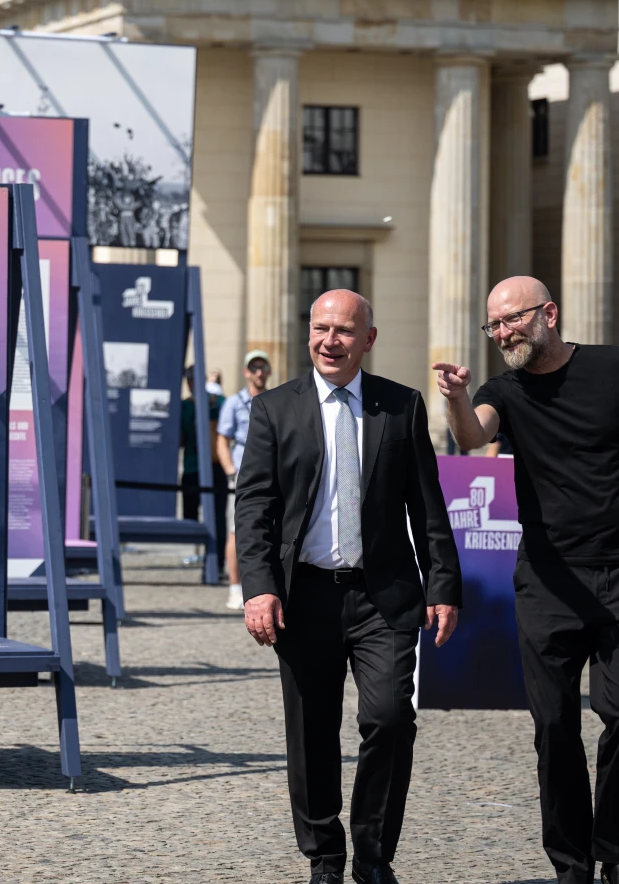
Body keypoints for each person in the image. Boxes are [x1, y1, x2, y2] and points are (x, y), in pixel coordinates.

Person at [433, 276, 619, 884]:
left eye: (513, 319)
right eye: (495, 325)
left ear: (549, 314)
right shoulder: (501, 390)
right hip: (547, 580)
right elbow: (471, 435)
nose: (503, 332)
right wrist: (455, 397)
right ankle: (571, 862)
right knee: (555, 725)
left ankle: (615, 851)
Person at [237, 290, 461, 884]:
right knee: (311, 729)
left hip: (382, 597)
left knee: (389, 718)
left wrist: (444, 586)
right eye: (319, 328)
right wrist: (258, 588)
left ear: (369, 338)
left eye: (342, 330)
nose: (329, 341)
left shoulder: (401, 406)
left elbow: (428, 506)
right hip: (303, 597)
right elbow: (254, 507)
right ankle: (325, 857)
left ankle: (373, 854)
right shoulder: (274, 410)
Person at [216, 350, 272, 609]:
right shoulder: (234, 402)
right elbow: (222, 440)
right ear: (246, 372)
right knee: (236, 532)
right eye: (254, 367)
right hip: (242, 474)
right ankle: (235, 587)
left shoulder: (275, 400)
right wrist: (230, 472)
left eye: (263, 367)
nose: (259, 372)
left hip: (270, 474)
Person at [180, 366, 226, 556]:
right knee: (191, 515)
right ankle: (200, 553)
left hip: (213, 466)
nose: (191, 384)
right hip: (193, 466)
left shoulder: (218, 402)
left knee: (216, 516)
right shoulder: (186, 406)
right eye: (190, 380)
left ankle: (216, 558)